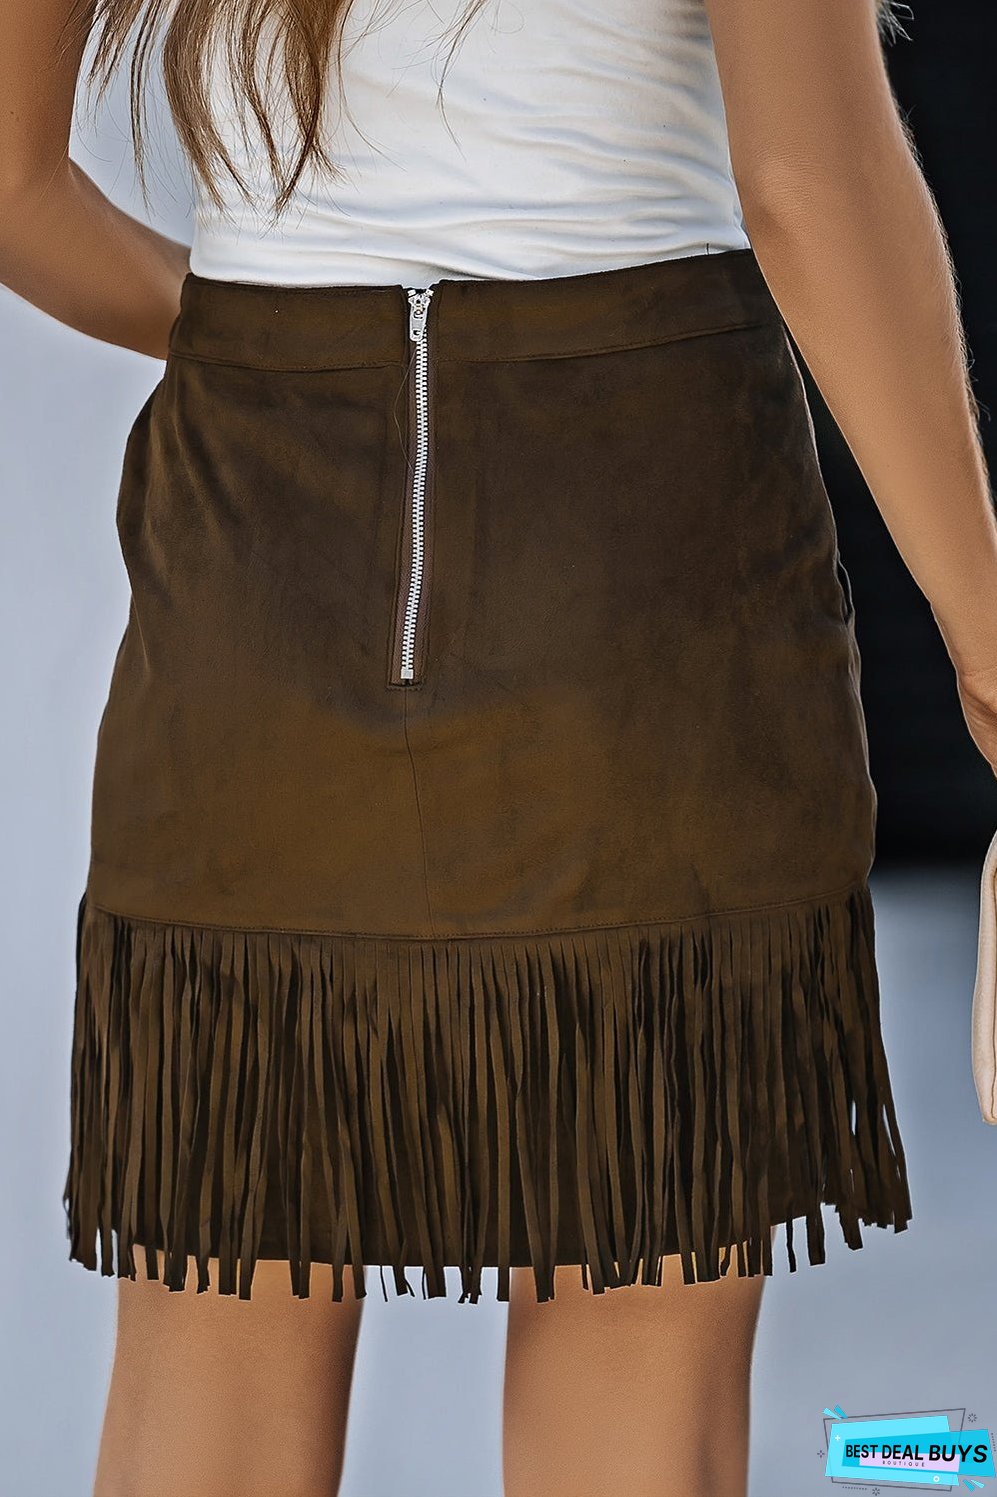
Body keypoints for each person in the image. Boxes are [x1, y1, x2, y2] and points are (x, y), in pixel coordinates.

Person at [2, 0, 995, 1492]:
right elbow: (812, 186)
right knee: (634, 1350)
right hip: (642, 576)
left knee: (215, 1366)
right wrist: (986, 639)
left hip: (254, 578)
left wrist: (273, 347)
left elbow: (12, 184)